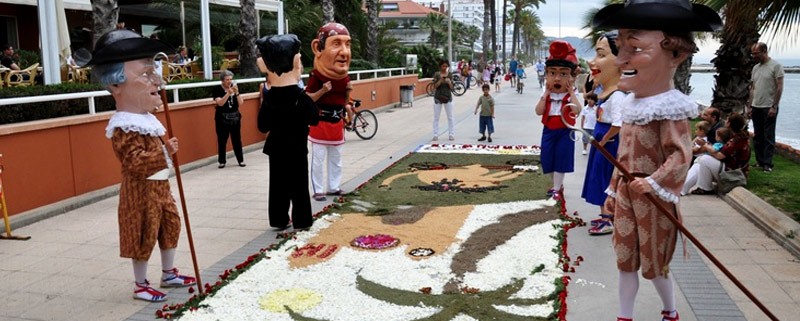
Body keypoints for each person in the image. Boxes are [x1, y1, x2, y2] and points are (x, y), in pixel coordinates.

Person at [591, 0, 722, 320]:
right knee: (625, 258)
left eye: (634, 48)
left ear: (675, 54)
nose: (621, 60)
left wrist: (652, 182)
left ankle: (670, 310)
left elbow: (681, 155)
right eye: (620, 47)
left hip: (655, 200)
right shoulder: (633, 106)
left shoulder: (671, 108)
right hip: (626, 193)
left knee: (654, 264)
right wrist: (612, 192)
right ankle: (625, 315)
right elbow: (623, 154)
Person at [81, 29, 196, 302]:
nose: (157, 79)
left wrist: (167, 154)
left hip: (160, 185)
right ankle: (141, 283)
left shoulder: (147, 120)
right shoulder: (123, 126)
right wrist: (165, 152)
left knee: (170, 224)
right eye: (145, 74)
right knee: (143, 232)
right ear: (116, 85)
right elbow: (133, 162)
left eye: (154, 71)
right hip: (139, 192)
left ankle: (168, 272)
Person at [256, 34, 320, 231]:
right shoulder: (300, 97)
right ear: (295, 62)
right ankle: (301, 220)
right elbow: (314, 118)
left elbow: (262, 125)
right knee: (299, 185)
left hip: (276, 148)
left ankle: (278, 219)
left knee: (278, 185)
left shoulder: (269, 97)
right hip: (297, 147)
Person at [581, 31, 626, 236]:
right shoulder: (604, 92)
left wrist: (604, 140)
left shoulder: (617, 96)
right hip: (601, 140)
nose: (592, 62)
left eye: (601, 54)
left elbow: (618, 124)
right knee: (597, 177)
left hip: (608, 143)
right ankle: (605, 214)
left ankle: (608, 218)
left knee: (605, 179)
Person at [305, 22, 351, 201]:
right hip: (320, 121)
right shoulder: (316, 76)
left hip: (336, 122)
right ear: (318, 48)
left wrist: (347, 93)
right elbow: (307, 99)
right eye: (336, 44)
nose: (345, 52)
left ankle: (334, 186)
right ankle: (318, 189)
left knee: (336, 158)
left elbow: (344, 101)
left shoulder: (344, 77)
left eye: (347, 44)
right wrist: (322, 91)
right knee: (318, 159)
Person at [534, 41, 583, 199]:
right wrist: (545, 95)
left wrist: (572, 93)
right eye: (552, 73)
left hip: (565, 130)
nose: (557, 78)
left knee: (561, 159)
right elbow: (538, 111)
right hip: (549, 129)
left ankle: (556, 188)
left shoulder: (570, 95)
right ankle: (556, 185)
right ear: (546, 74)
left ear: (572, 76)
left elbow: (577, 111)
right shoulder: (547, 94)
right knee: (547, 159)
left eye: (563, 74)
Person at [684, 114, 750, 195]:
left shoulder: (736, 139)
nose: (725, 121)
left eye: (727, 120)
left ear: (729, 123)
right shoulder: (738, 136)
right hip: (731, 168)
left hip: (733, 173)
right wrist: (708, 147)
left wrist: (705, 145)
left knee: (704, 159)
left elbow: (720, 155)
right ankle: (697, 187)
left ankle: (700, 187)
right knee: (701, 160)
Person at [748, 42, 784, 173]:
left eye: (756, 53)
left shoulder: (776, 66)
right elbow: (753, 88)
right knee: (758, 135)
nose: (754, 56)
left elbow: (779, 87)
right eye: (753, 54)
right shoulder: (755, 68)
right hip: (756, 105)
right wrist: (750, 106)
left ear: (764, 51)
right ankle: (760, 161)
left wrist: (774, 106)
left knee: (768, 135)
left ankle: (767, 164)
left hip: (768, 106)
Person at [682, 126, 733, 195]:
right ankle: (685, 187)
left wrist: (705, 145)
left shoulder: (719, 144)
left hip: (726, 169)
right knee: (700, 162)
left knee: (703, 159)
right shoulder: (726, 143)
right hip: (722, 166)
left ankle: (683, 188)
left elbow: (715, 152)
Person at [212, 70, 245, 168]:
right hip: (222, 118)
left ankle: (241, 160)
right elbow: (220, 103)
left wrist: (237, 93)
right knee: (222, 140)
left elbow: (241, 103)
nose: (229, 81)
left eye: (230, 79)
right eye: (227, 79)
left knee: (237, 140)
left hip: (235, 117)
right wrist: (227, 94)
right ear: (222, 81)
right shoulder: (217, 89)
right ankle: (222, 161)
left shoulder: (234, 88)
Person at [432, 60, 455, 141]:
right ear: (440, 66)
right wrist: (440, 81)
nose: (444, 68)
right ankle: (435, 134)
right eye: (443, 66)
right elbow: (434, 86)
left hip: (448, 97)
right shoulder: (437, 74)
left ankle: (451, 134)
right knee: (436, 117)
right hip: (438, 97)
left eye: (446, 66)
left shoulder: (450, 75)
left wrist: (449, 83)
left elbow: (452, 88)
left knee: (450, 117)